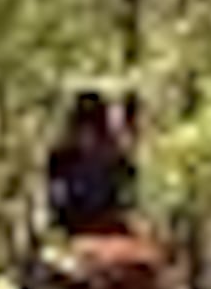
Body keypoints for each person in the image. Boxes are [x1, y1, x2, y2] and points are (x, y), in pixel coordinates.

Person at [43, 87, 139, 244]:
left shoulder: (116, 159)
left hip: (109, 228)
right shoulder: (63, 158)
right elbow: (57, 201)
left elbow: (127, 197)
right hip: (78, 229)